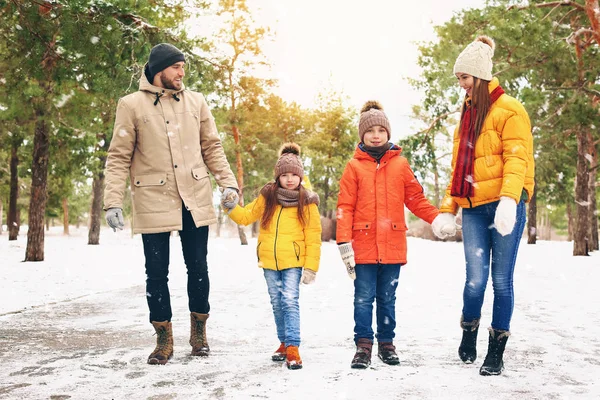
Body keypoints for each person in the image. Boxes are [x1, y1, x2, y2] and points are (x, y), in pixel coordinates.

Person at [103, 43, 240, 365]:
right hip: (152, 197)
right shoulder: (131, 105)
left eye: (183, 68)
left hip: (194, 196)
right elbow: (119, 156)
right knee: (156, 272)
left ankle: (199, 332)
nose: (182, 73)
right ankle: (163, 338)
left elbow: (212, 147)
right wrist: (112, 202)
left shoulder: (196, 102)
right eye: (177, 67)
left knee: (198, 268)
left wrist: (229, 183)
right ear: (159, 69)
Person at [431, 36, 535, 376]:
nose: (460, 84)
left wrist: (509, 200)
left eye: (464, 78)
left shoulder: (511, 110)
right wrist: (448, 207)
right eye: (458, 78)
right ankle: (468, 332)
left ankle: (496, 351)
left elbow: (516, 160)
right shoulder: (467, 114)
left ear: (480, 76)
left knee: (501, 280)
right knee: (475, 279)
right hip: (474, 208)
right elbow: (458, 169)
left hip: (506, 205)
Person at [336, 101, 447, 369]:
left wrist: (437, 217)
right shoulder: (353, 167)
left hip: (393, 244)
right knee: (362, 297)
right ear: (362, 135)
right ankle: (363, 346)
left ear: (388, 133)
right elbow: (345, 206)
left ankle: (386, 344)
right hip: (361, 246)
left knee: (387, 298)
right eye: (370, 130)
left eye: (381, 130)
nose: (376, 135)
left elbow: (416, 199)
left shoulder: (401, 165)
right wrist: (343, 242)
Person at [221, 143, 321, 370]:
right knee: (277, 303)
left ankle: (294, 347)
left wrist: (311, 267)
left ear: (300, 176)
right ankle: (284, 342)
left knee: (289, 301)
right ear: (278, 176)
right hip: (269, 261)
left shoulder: (307, 201)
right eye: (284, 175)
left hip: (293, 262)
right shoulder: (268, 196)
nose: (289, 179)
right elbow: (246, 217)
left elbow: (313, 237)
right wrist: (231, 206)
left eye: (294, 175)